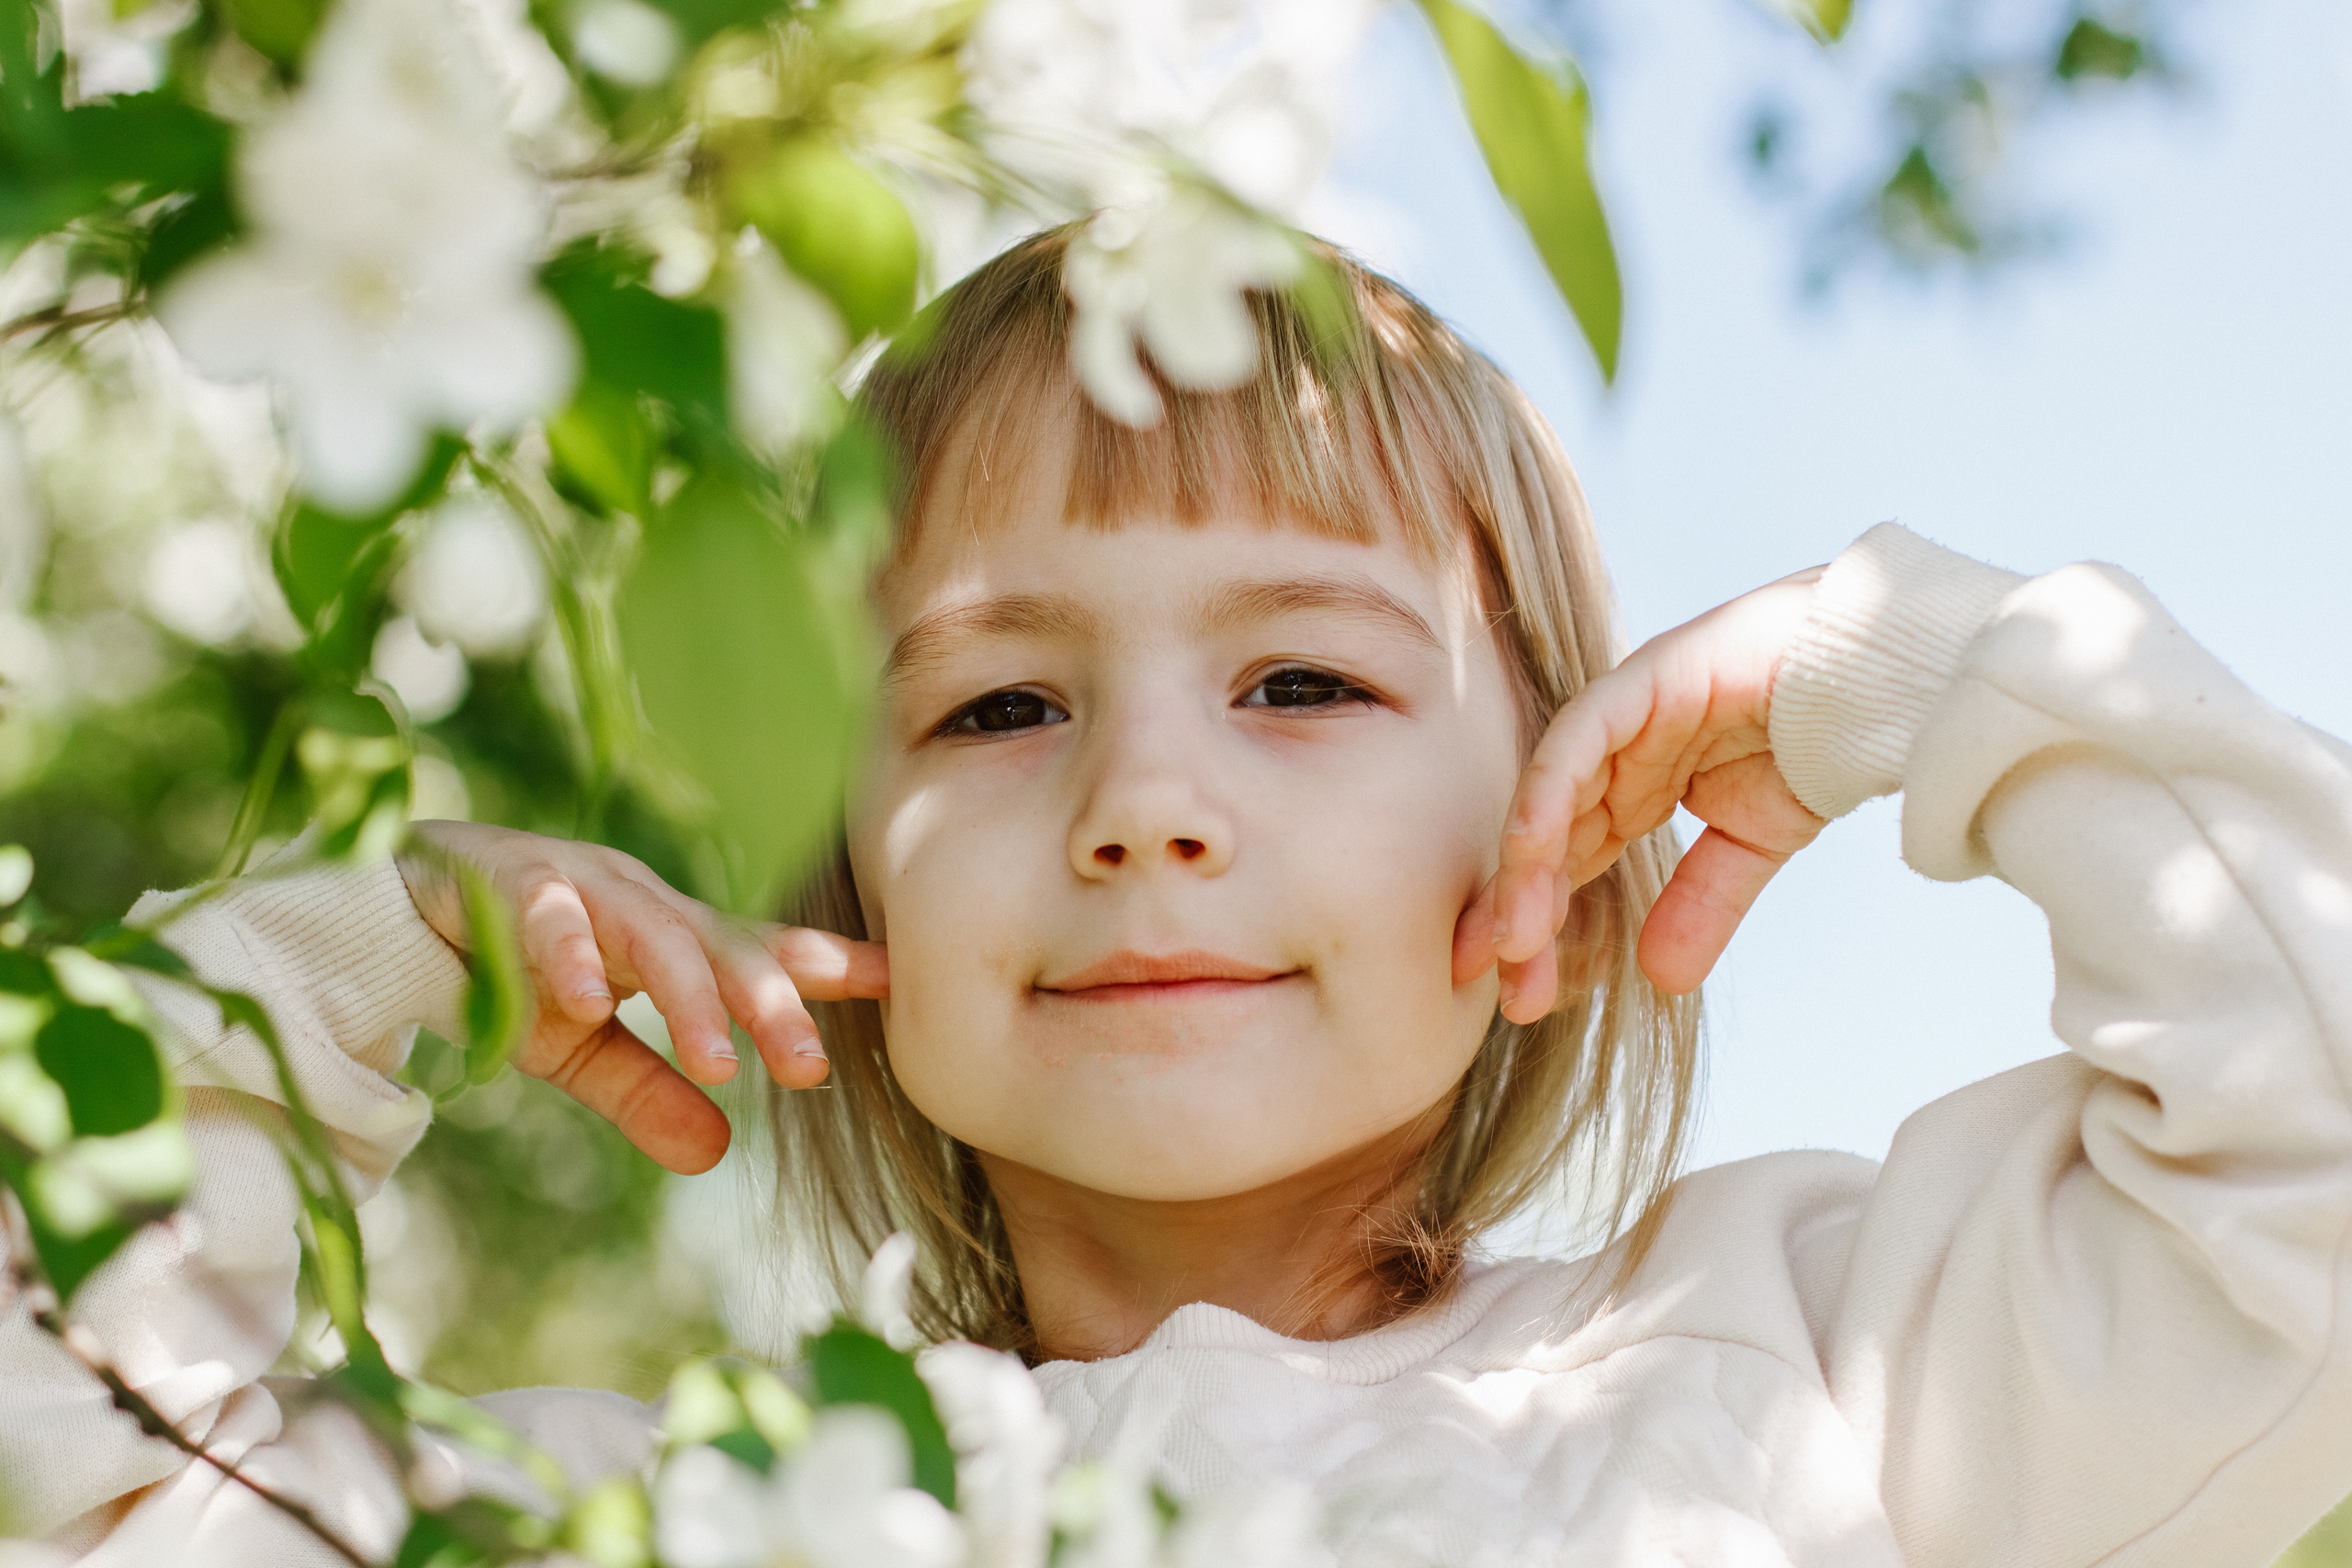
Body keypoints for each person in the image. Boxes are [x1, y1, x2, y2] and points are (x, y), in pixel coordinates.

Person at [6, 228, 2351, 1567]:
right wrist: (366, 953)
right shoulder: (702, 1510)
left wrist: (1934, 672)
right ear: (847, 886)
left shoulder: (1832, 1370)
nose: (1142, 801)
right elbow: (79, 1461)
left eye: (1302, 677)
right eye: (996, 709)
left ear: (1557, 791)